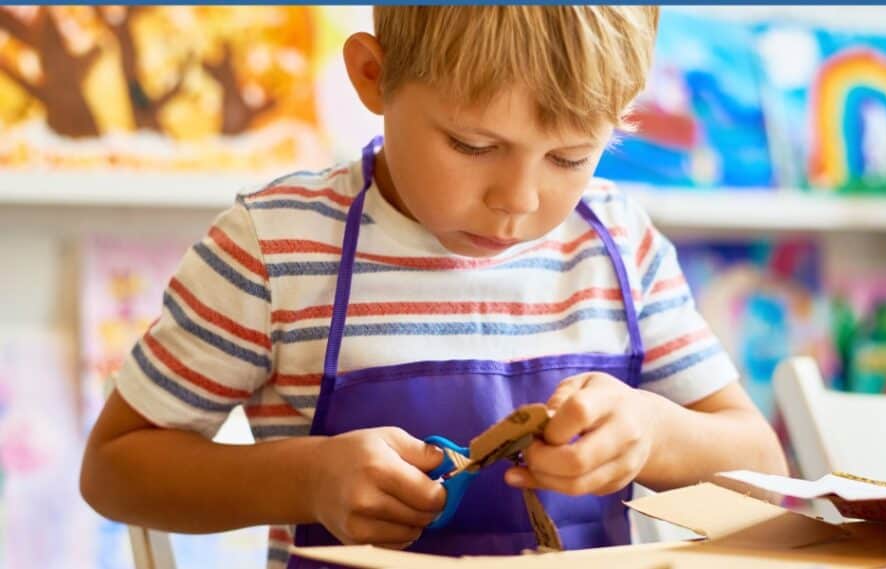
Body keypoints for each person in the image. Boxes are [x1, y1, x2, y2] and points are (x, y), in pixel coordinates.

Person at [80, 6, 787, 568]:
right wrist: (307, 478)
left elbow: (761, 465)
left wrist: (652, 434)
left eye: (571, 155)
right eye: (474, 146)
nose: (517, 198)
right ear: (372, 75)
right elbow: (114, 469)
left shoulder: (621, 246)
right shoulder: (277, 248)